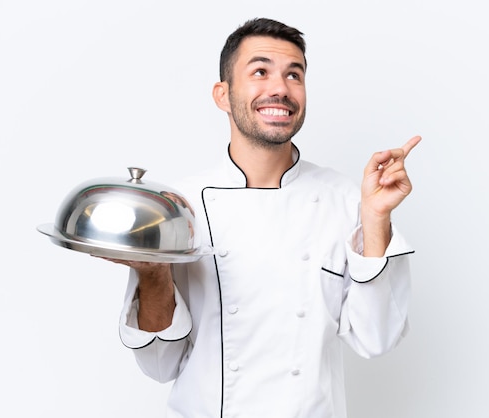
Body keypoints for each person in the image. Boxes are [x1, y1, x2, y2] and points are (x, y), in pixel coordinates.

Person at [108, 17, 421, 418]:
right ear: (223, 94)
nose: (280, 88)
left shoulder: (346, 199)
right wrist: (152, 275)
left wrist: (376, 219)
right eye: (260, 71)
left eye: (295, 75)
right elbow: (159, 364)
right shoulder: (178, 207)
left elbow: (377, 339)